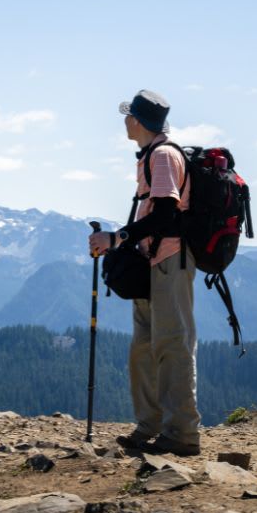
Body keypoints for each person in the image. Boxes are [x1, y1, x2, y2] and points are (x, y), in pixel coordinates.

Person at [88, 89, 201, 457]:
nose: (124, 121)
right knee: (144, 348)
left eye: (128, 116)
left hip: (170, 260)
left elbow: (166, 213)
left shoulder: (164, 156)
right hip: (152, 261)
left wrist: (117, 238)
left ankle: (182, 433)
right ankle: (149, 426)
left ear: (137, 121)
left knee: (172, 345)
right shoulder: (153, 155)